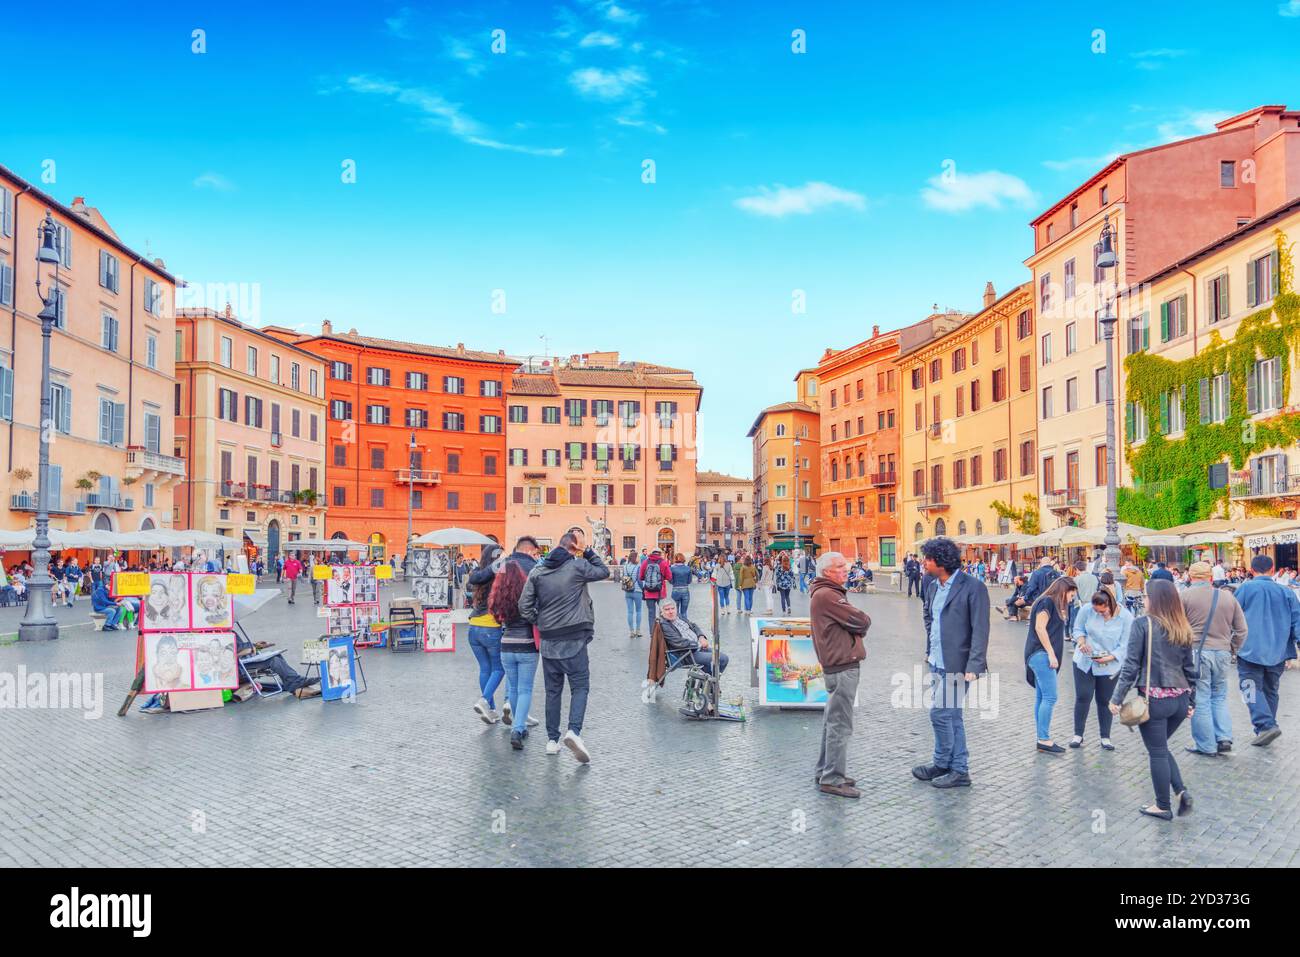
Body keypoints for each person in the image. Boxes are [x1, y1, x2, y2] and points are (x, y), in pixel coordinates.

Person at [1109, 579, 1197, 821]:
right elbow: (1190, 669)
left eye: (1146, 596)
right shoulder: (1182, 627)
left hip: (1154, 700)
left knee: (1157, 751)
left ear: (1154, 599)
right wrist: (1192, 702)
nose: (1144, 600)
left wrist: (1116, 698)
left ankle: (1162, 805)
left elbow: (1130, 666)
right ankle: (1181, 792)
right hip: (1179, 700)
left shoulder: (1142, 624)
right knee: (1160, 748)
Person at [518, 530, 609, 763]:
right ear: (573, 547)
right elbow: (603, 571)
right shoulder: (577, 566)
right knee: (580, 687)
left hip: (549, 640)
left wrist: (539, 620)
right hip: (575, 638)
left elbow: (524, 606)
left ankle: (552, 740)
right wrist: (587, 550)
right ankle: (574, 731)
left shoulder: (538, 571)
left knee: (553, 691)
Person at [912, 536, 989, 790]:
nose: (924, 563)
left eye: (928, 559)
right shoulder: (933, 585)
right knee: (952, 716)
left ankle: (957, 768)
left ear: (941, 561)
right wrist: (931, 644)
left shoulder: (973, 587)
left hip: (959, 665)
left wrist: (974, 666)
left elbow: (980, 629)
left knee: (940, 713)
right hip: (936, 661)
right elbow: (929, 616)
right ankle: (948, 765)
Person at [809, 552, 871, 798]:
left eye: (845, 565)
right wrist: (858, 625)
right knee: (839, 724)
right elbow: (862, 620)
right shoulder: (829, 595)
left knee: (831, 720)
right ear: (827, 572)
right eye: (840, 567)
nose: (846, 570)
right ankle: (832, 778)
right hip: (842, 665)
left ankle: (826, 770)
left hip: (837, 663)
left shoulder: (825, 593)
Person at [1180, 562, 1247, 757]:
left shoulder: (1184, 596)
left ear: (1190, 576)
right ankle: (1223, 737)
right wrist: (1232, 648)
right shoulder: (1228, 597)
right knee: (1219, 695)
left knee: (1200, 698)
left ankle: (1206, 745)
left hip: (1196, 653)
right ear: (1210, 577)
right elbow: (1242, 630)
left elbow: (1175, 628)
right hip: (1223, 652)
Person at [1234, 554, 1300, 747]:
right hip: (1278, 650)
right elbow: (1297, 620)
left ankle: (1266, 725)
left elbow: (1233, 615)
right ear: (1273, 570)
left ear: (1252, 571)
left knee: (1249, 688)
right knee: (1271, 689)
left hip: (1250, 649)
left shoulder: (1245, 588)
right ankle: (1266, 727)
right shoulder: (1286, 592)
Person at [1070, 587, 1132, 750]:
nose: (1099, 614)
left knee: (1104, 700)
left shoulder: (1125, 617)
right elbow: (1077, 629)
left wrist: (1111, 657)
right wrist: (1082, 642)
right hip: (1085, 661)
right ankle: (1078, 735)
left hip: (1109, 665)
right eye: (1096, 611)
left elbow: (1126, 644)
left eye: (1103, 612)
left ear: (1110, 605)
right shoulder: (1087, 610)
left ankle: (1105, 737)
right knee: (1083, 696)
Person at [1024, 577, 1078, 754]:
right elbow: (1040, 628)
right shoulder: (1047, 602)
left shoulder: (1052, 603)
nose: (1072, 598)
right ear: (1063, 590)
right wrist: (1051, 653)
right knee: (1050, 697)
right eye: (1071, 594)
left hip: (1040, 654)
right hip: (1041, 654)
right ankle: (1044, 739)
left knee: (1042, 697)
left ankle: (1042, 737)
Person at [492, 553, 538, 750]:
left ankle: (519, 725)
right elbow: (535, 613)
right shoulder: (526, 592)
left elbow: (497, 617)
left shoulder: (499, 596)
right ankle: (518, 728)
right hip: (526, 645)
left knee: (513, 687)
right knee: (525, 689)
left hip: (506, 645)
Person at [466, 544, 506, 724]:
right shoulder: (498, 574)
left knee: (485, 668)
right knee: (499, 668)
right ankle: (484, 701)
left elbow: (473, 579)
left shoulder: (478, 572)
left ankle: (490, 709)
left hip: (473, 627)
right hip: (490, 627)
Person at [654, 600, 727, 675]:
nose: (671, 611)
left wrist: (701, 637)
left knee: (724, 659)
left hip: (696, 649)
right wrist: (697, 644)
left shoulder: (678, 616)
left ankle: (704, 681)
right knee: (721, 659)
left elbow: (693, 625)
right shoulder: (664, 624)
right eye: (667, 609)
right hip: (686, 654)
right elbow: (678, 643)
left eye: (673, 608)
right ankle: (706, 681)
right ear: (661, 612)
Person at [638, 547, 672, 632]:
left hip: (648, 592)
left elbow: (641, 577)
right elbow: (669, 577)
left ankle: (652, 633)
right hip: (660, 592)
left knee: (651, 613)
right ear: (660, 554)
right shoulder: (663, 563)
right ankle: (663, 632)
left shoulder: (645, 562)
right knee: (663, 612)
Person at [620, 552, 643, 638]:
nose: (639, 559)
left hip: (627, 591)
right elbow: (640, 580)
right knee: (639, 611)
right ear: (635, 558)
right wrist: (643, 589)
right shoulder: (638, 567)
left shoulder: (625, 566)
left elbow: (623, 577)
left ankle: (631, 631)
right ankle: (638, 630)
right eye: (638, 557)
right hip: (637, 591)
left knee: (630, 611)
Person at [668, 553, 692, 618]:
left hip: (675, 589)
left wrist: (674, 583)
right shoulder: (688, 568)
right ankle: (685, 626)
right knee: (684, 612)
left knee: (675, 611)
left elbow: (670, 580)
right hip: (685, 590)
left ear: (675, 559)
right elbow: (689, 581)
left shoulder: (672, 568)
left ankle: (676, 627)